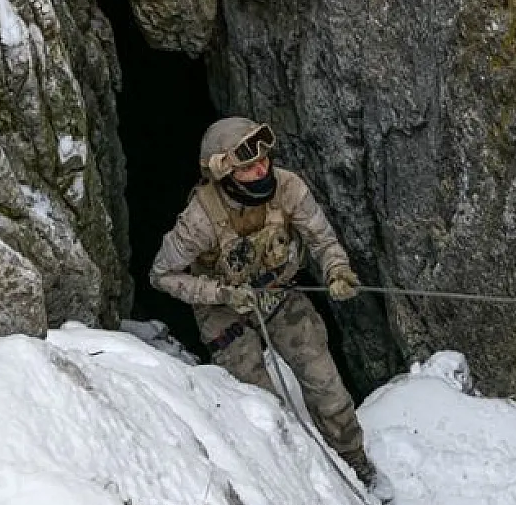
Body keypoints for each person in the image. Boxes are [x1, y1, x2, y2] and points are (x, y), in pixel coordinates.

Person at [151, 116, 375, 484]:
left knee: (328, 387)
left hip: (278, 293)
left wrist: (337, 270)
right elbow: (161, 275)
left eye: (264, 159)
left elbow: (322, 238)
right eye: (249, 166)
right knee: (264, 410)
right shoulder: (199, 220)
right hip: (224, 311)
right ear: (224, 172)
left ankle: (356, 464)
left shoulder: (288, 188)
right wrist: (219, 293)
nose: (262, 168)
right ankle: (300, 483)